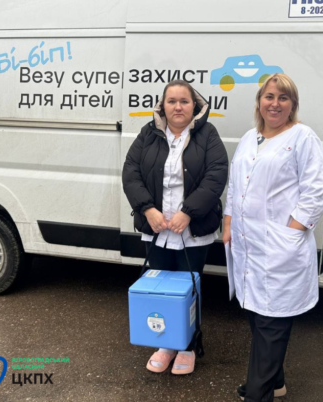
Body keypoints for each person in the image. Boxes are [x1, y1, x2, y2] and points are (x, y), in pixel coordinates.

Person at [222, 73, 323, 402]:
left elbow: (315, 191)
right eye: (269, 96)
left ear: (293, 105)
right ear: (259, 102)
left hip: (281, 248)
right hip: (247, 246)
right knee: (257, 315)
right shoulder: (249, 138)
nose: (275, 103)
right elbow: (235, 186)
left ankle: (259, 393)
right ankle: (275, 381)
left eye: (283, 98)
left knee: (271, 322)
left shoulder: (302, 137)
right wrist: (228, 222)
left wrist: (292, 232)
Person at [122, 80, 228, 375]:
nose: (178, 107)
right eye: (172, 101)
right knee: (160, 291)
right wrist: (147, 209)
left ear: (195, 105)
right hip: (156, 229)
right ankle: (166, 344)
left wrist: (188, 213)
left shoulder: (208, 134)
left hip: (191, 230)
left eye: (184, 101)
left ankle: (188, 346)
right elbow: (131, 172)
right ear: (163, 106)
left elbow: (216, 176)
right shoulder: (148, 133)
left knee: (187, 290)